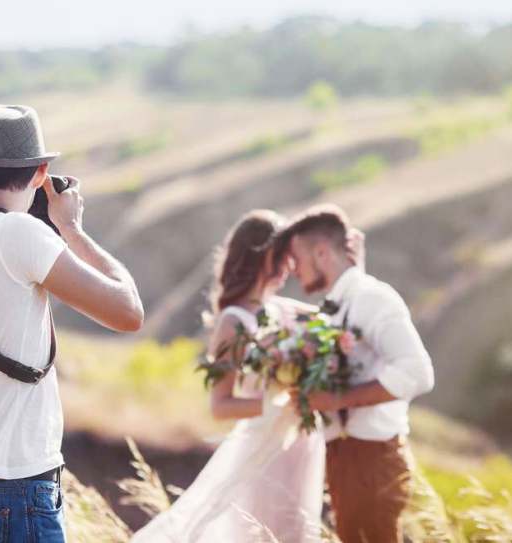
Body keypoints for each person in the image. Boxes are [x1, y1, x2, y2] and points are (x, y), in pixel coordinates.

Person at [0, 104, 143, 543]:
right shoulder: (20, 235)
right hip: (17, 486)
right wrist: (70, 228)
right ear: (41, 174)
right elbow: (128, 311)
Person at [132, 209, 363, 543]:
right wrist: (276, 402)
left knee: (296, 534)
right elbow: (221, 406)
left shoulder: (283, 309)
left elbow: (339, 319)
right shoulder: (232, 322)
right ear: (263, 255)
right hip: (261, 449)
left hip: (301, 444)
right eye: (284, 256)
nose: (291, 266)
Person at [276, 204, 435, 543]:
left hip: (371, 459)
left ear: (321, 253)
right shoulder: (339, 305)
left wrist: (334, 399)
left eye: (296, 258)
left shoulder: (373, 298)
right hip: (347, 458)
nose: (292, 270)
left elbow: (418, 373)